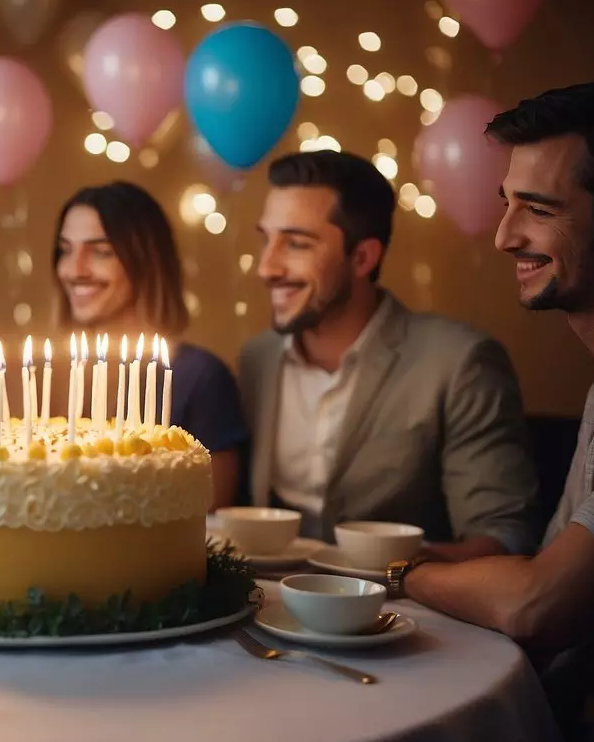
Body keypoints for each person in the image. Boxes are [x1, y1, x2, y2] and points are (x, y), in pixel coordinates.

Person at [395, 81, 594, 742]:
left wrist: (399, 576)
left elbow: (537, 604)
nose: (503, 236)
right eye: (505, 203)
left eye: (538, 210)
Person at [239, 150, 538, 555]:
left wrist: (387, 569)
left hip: (402, 612)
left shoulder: (460, 362)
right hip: (268, 607)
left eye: (295, 243)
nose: (266, 268)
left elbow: (504, 537)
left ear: (363, 257)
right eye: (266, 239)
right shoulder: (256, 359)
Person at [53, 181, 247, 507]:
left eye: (101, 252)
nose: (75, 270)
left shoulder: (199, 377)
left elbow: (209, 517)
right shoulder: (62, 374)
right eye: (65, 250)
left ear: (146, 260)